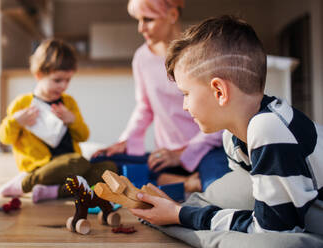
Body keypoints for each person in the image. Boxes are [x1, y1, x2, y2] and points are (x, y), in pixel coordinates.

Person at [129, 15, 323, 234]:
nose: (184, 105)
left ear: (219, 91)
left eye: (186, 93)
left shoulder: (269, 128)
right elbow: (244, 200)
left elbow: (272, 232)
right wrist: (179, 209)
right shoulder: (232, 137)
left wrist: (180, 215)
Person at [92, 0, 229, 192]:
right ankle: (187, 182)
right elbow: (145, 107)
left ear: (172, 15)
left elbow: (221, 116)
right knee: (101, 163)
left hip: (206, 150)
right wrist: (124, 142)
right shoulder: (141, 58)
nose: (141, 28)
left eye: (148, 19)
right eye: (138, 20)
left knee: (219, 189)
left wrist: (182, 153)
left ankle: (181, 182)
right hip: (166, 154)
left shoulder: (202, 54)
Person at [0, 39, 117, 203]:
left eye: (68, 80)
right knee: (76, 162)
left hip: (71, 166)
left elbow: (83, 136)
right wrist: (15, 121)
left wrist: (72, 120)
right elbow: (5, 138)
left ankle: (53, 192)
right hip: (43, 168)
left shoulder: (68, 102)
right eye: (57, 80)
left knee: (109, 169)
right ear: (39, 75)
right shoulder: (22, 104)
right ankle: (25, 183)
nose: (63, 86)